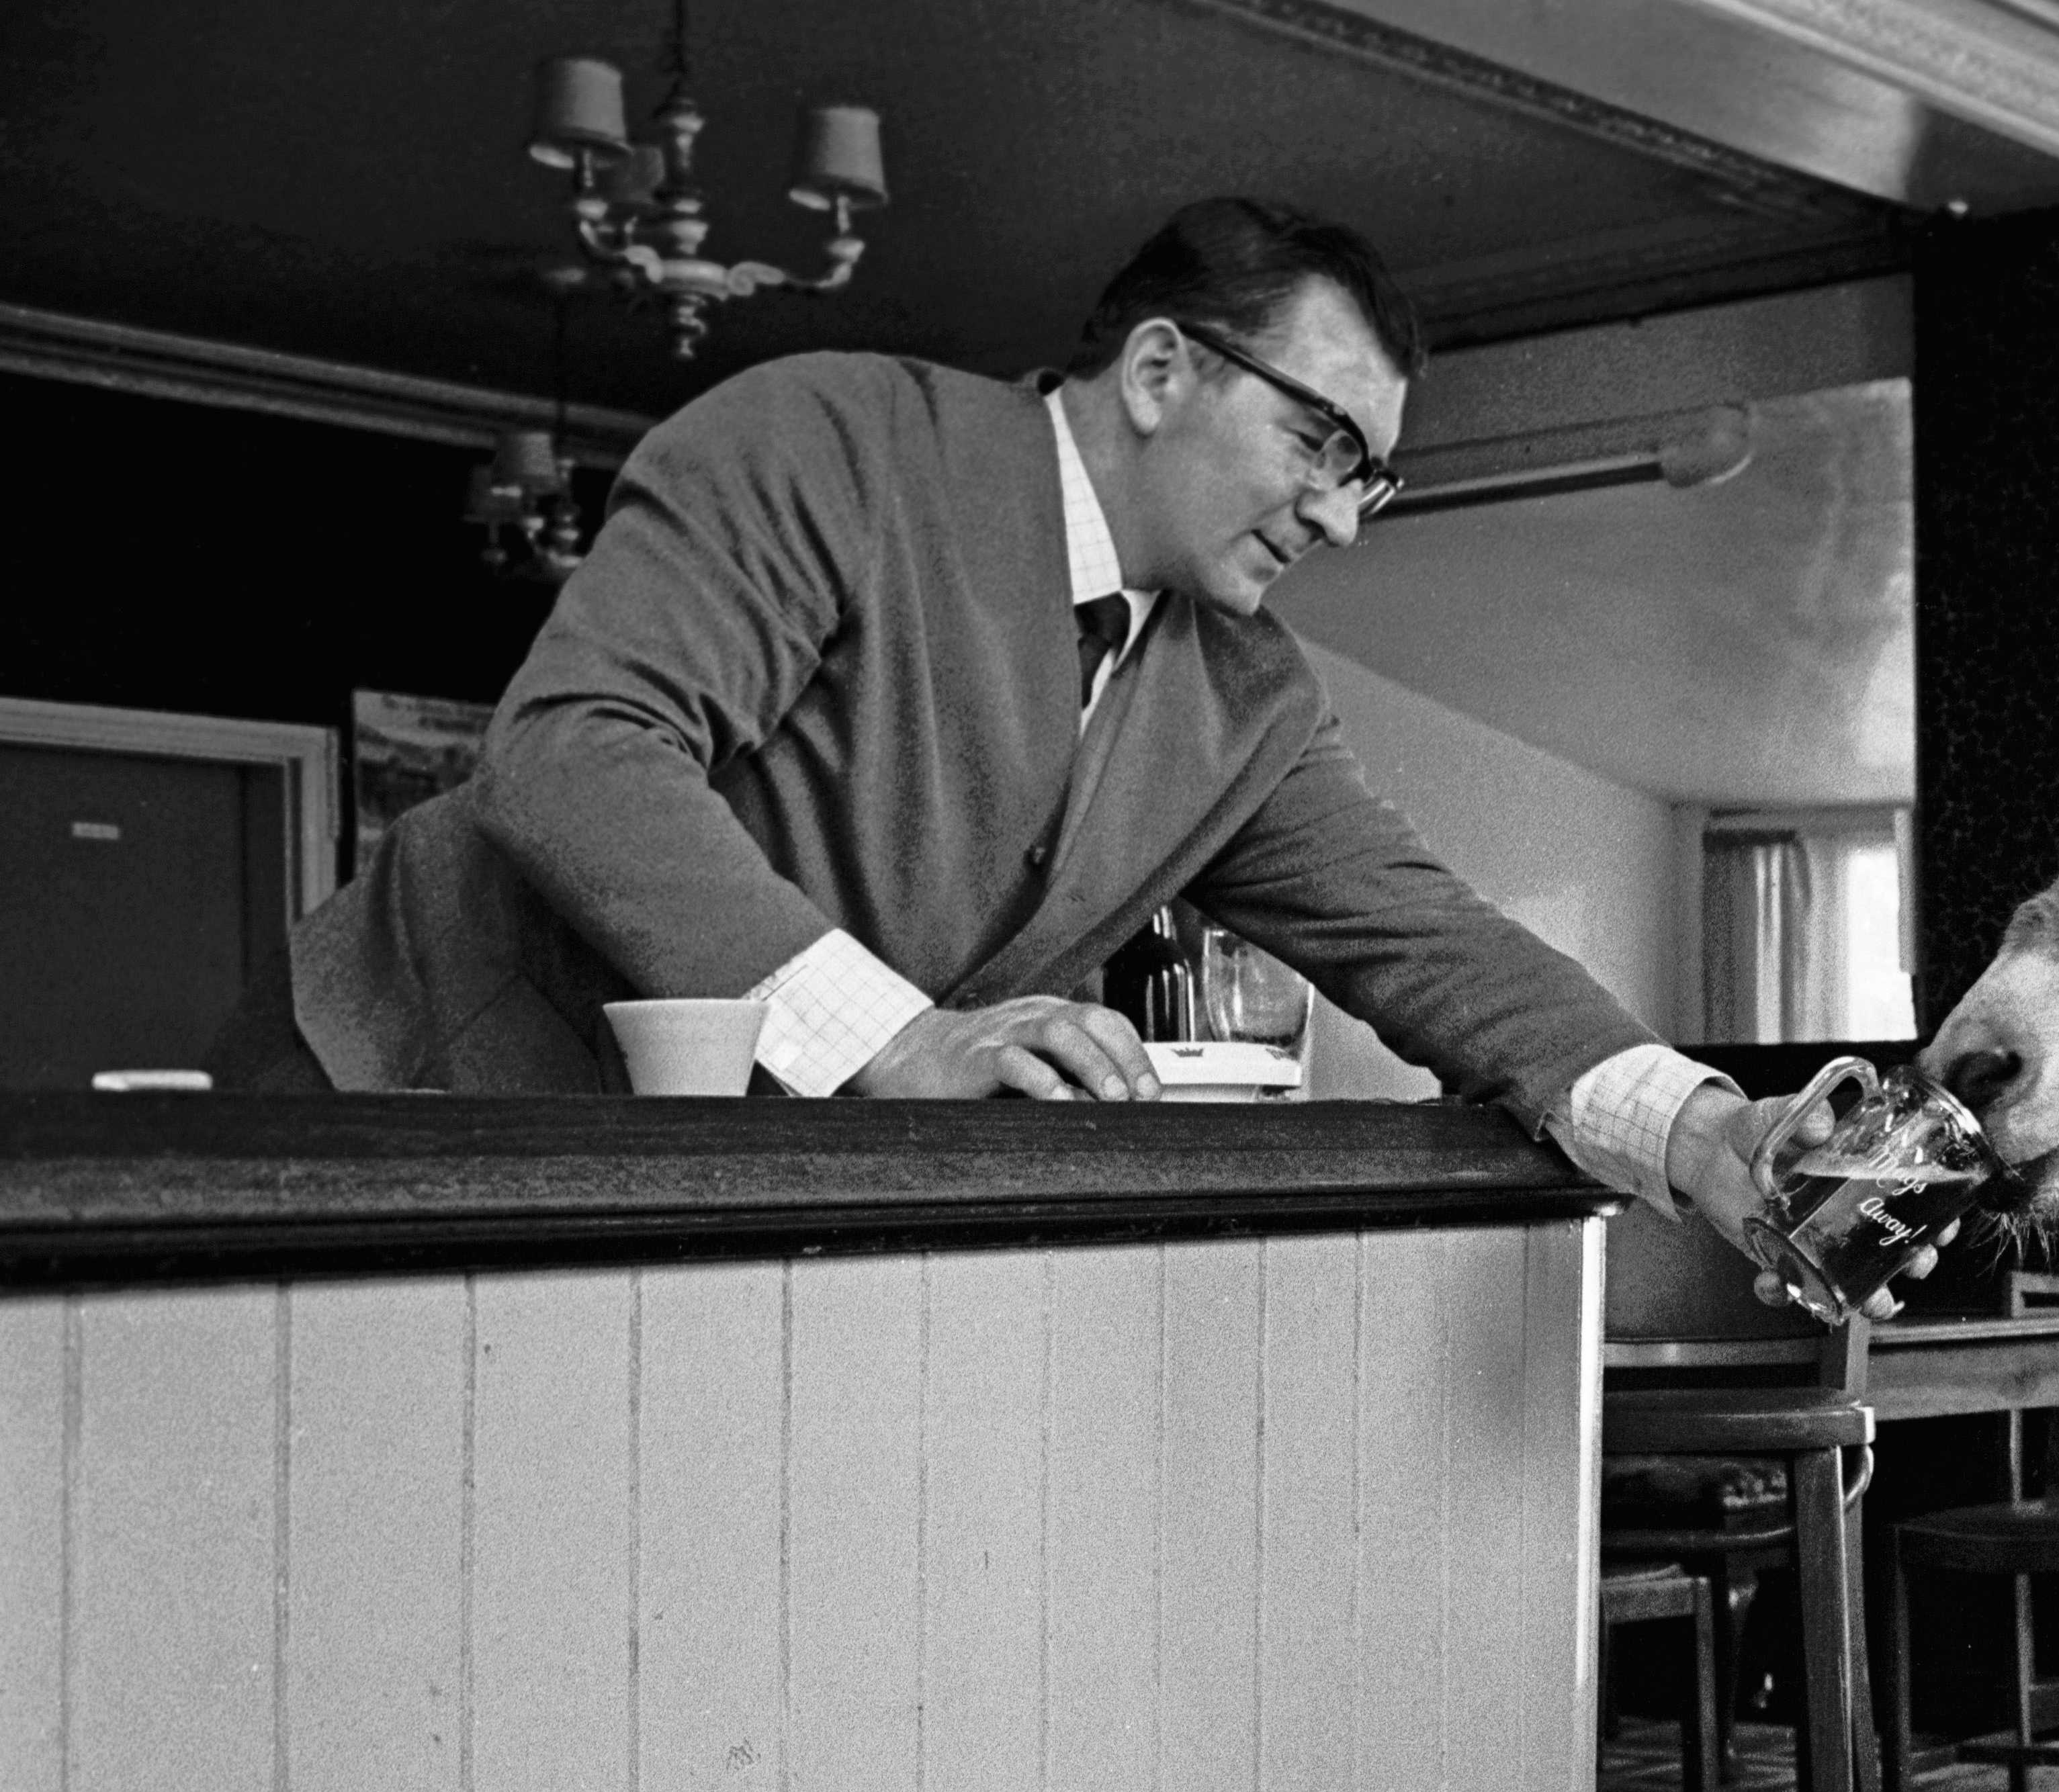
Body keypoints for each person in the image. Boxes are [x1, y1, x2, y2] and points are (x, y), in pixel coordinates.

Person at [247, 195, 1884, 1286]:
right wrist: (898, 1044)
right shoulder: (830, 440)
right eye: (1318, 440)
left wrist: (1711, 1133)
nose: (1341, 515)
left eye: (1369, 474)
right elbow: (577, 752)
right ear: (1162, 368)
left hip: (689, 1212)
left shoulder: (1245, 697)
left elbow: (1433, 943)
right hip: (378, 1117)